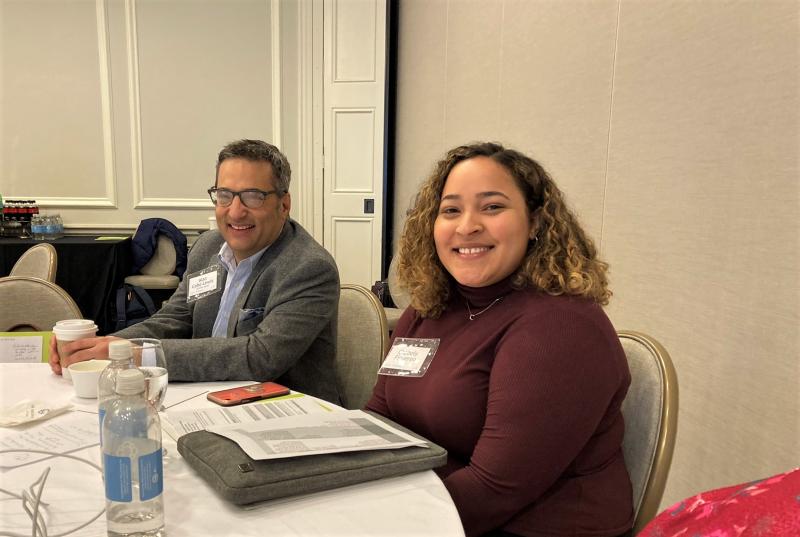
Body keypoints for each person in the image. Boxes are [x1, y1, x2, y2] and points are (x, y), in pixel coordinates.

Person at [366, 142, 633, 537]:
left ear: (537, 223)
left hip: (528, 527)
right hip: (436, 506)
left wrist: (362, 519)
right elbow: (380, 416)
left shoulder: (560, 326)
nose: (467, 226)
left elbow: (492, 492)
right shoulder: (431, 306)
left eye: (492, 207)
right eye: (451, 210)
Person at [50, 139, 341, 404]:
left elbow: (259, 357)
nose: (235, 211)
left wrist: (135, 355)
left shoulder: (308, 268)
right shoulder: (208, 247)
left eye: (252, 196)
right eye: (225, 195)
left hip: (288, 415)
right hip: (206, 400)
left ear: (284, 204)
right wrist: (102, 346)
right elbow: (176, 317)